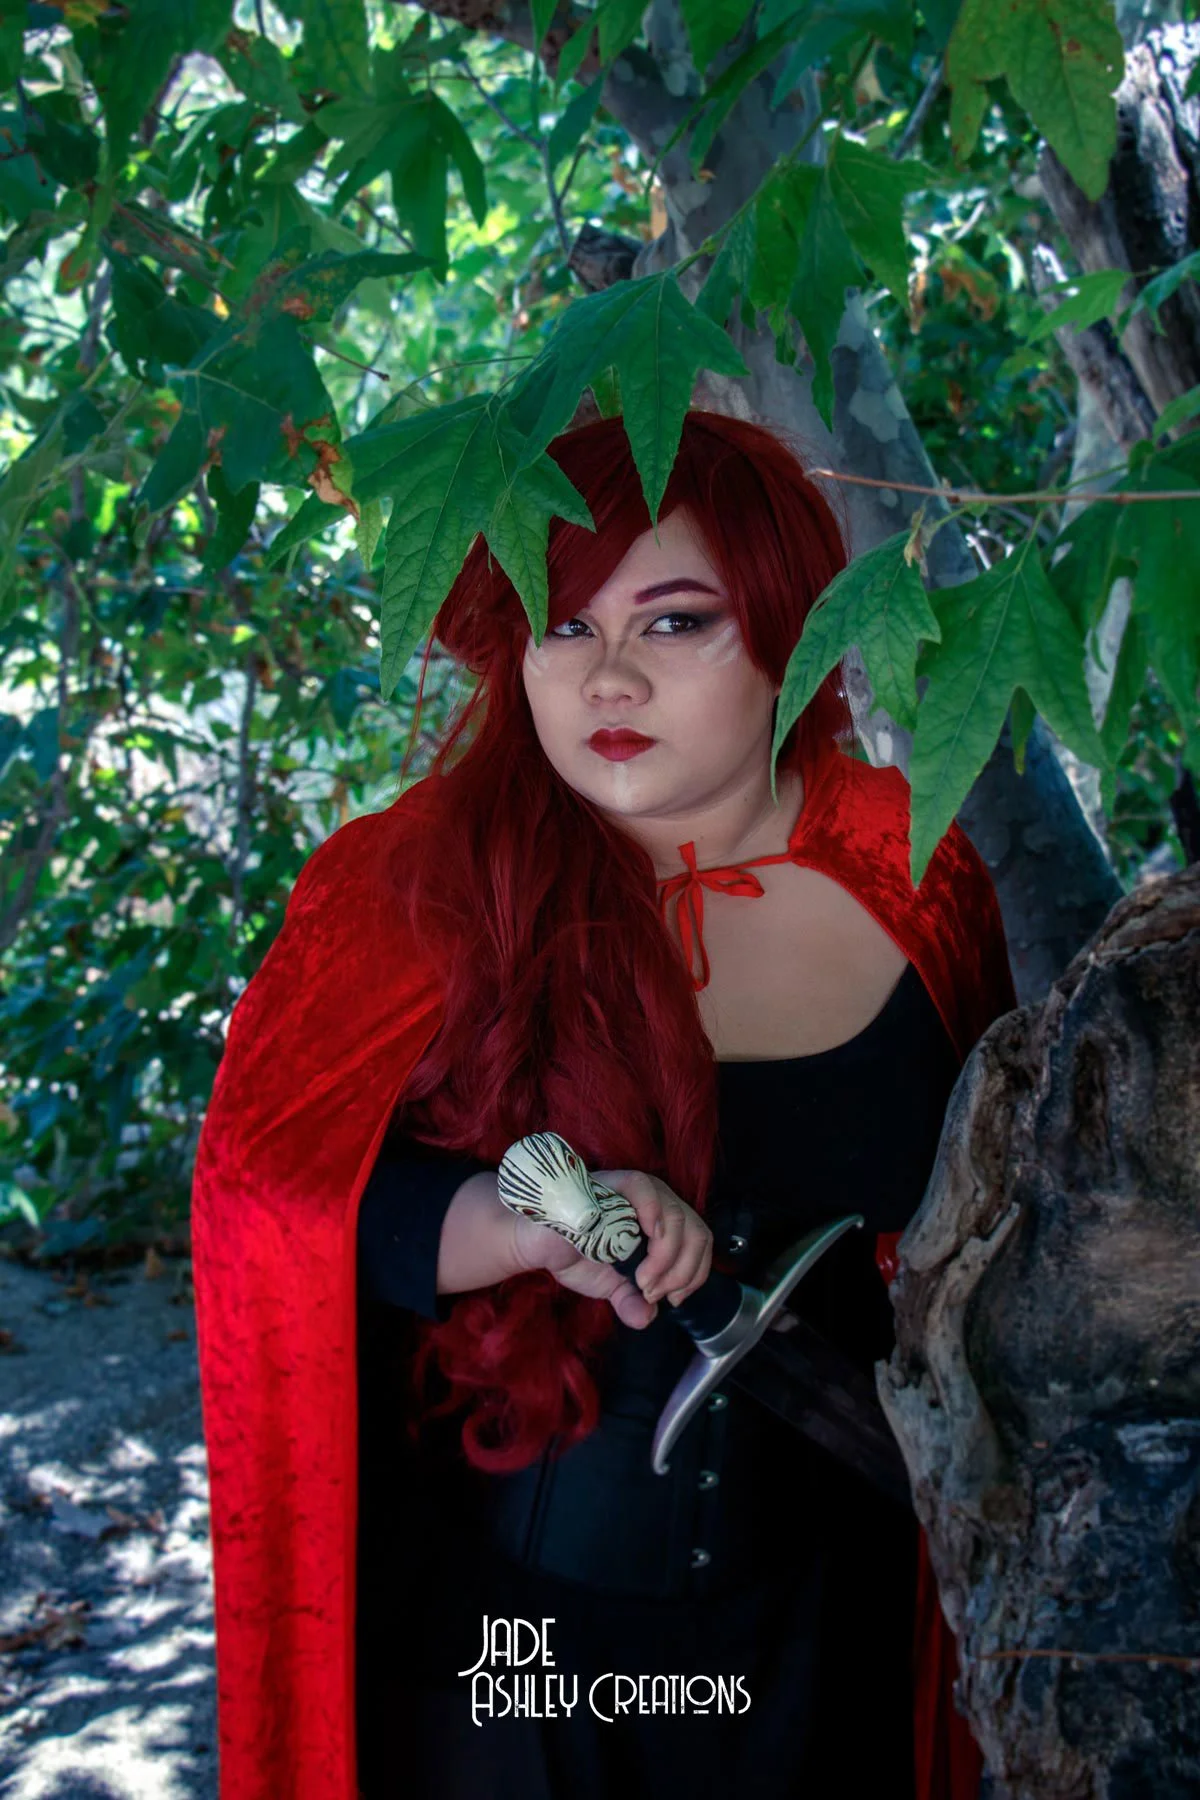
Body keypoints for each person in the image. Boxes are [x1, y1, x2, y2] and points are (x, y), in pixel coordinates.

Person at [192, 409, 1018, 1800]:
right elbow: (274, 1197)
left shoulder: (918, 870)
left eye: (677, 621)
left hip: (841, 1636)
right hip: (521, 1669)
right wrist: (516, 1218)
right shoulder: (405, 892)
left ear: (784, 629)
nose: (608, 676)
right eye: (564, 626)